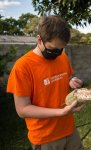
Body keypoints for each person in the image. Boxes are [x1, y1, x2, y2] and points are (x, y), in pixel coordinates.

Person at [7, 16, 84, 150]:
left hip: (69, 129)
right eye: (53, 49)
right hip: (45, 137)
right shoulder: (22, 67)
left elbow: (64, 78)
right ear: (39, 40)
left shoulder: (62, 57)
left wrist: (71, 82)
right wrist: (61, 112)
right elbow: (22, 110)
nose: (57, 53)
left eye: (61, 49)